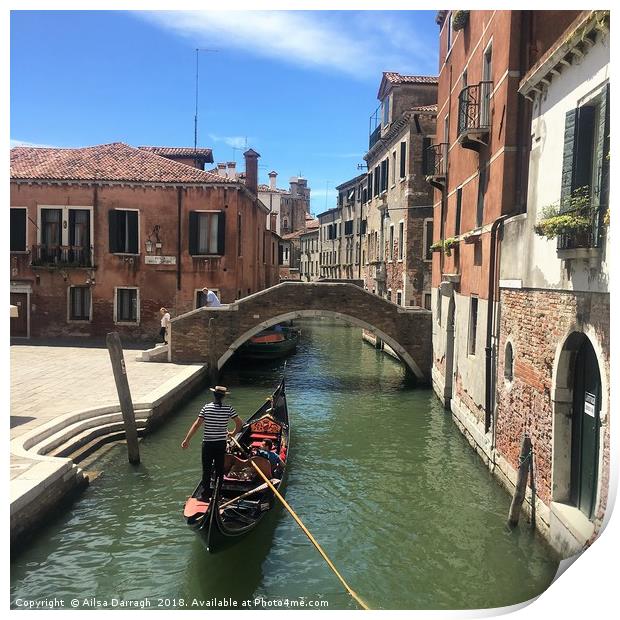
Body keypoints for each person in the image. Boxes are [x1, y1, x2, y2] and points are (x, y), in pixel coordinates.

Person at [181, 385, 244, 500]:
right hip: (221, 444)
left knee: (207, 469)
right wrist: (233, 433)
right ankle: (218, 495)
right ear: (224, 397)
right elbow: (240, 423)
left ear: (214, 395)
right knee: (220, 469)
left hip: (208, 444)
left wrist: (187, 440)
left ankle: (205, 495)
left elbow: (196, 425)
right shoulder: (228, 408)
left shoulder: (206, 408)